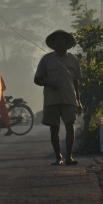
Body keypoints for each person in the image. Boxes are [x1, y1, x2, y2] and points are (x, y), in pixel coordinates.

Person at [34, 29, 82, 166]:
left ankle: (69, 157)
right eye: (57, 41)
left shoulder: (73, 60)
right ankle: (58, 157)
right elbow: (37, 79)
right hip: (51, 100)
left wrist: (79, 101)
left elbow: (76, 82)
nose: (59, 43)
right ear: (53, 44)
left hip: (69, 99)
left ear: (67, 44)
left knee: (70, 127)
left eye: (62, 40)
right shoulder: (46, 59)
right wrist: (49, 83)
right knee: (54, 129)